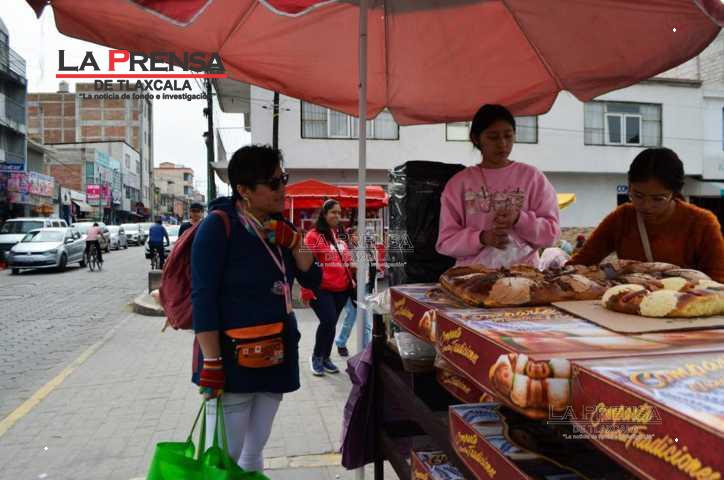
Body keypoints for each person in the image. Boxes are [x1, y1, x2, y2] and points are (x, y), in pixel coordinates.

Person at [191, 145, 320, 473]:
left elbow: (313, 276)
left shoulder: (280, 226)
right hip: (232, 359)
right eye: (273, 183)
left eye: (283, 179)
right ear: (244, 189)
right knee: (225, 458)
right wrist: (211, 362)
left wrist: (294, 241)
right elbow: (203, 298)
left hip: (276, 353)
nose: (282, 189)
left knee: (256, 448)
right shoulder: (218, 226)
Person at [569, 147, 724, 281]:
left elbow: (718, 282)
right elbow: (580, 263)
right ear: (629, 186)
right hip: (629, 301)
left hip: (686, 304)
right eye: (638, 195)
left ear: (675, 193)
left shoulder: (702, 223)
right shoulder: (621, 218)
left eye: (658, 199)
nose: (646, 206)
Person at [436, 104, 560, 268]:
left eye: (508, 135)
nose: (502, 144)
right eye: (493, 137)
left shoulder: (532, 178)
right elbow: (445, 243)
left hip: (524, 276)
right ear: (476, 139)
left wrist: (519, 219)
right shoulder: (459, 184)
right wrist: (482, 238)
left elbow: (551, 234)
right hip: (472, 277)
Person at [302, 199, 354, 376]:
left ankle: (326, 357)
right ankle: (316, 357)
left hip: (341, 289)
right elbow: (305, 265)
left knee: (331, 324)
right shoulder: (313, 236)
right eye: (333, 212)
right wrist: (306, 290)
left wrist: (353, 273)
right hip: (321, 288)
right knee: (328, 320)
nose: (337, 216)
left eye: (339, 213)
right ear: (324, 214)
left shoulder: (337, 234)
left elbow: (345, 259)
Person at [334, 226, 373, 357]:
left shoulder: (367, 249)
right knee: (351, 316)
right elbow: (347, 266)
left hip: (365, 288)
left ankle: (366, 350)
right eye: (357, 235)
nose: (360, 237)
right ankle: (341, 343)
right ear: (351, 237)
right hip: (352, 289)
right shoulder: (348, 250)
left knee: (366, 323)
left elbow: (372, 268)